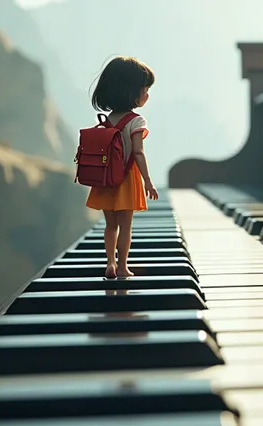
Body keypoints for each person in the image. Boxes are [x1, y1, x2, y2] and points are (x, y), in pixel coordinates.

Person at [86, 56, 159, 278]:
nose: (147, 94)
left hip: (105, 179)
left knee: (110, 226)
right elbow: (138, 153)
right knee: (125, 226)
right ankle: (122, 266)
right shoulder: (136, 122)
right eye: (144, 89)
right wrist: (147, 180)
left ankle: (109, 263)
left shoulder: (107, 119)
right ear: (130, 91)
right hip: (126, 180)